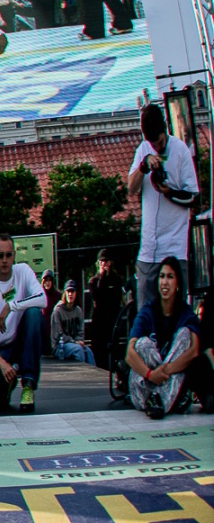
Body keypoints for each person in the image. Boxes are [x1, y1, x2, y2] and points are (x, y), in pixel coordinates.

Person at [127, 103, 198, 308]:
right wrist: (143, 166)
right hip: (149, 249)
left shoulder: (180, 150)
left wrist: (169, 192)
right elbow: (131, 188)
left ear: (165, 129)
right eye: (152, 144)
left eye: (159, 142)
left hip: (175, 248)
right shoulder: (143, 149)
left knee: (175, 311)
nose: (156, 148)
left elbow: (193, 197)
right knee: (145, 311)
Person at [0, 235, 47, 414]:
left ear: (14, 255)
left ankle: (28, 385)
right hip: (2, 348)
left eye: (8, 255)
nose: (4, 260)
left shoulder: (23, 271)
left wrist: (11, 306)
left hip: (23, 341)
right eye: (0, 256)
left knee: (34, 313)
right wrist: (2, 364)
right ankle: (3, 390)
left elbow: (42, 299)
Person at [126, 257, 200, 418]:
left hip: (171, 377)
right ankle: (169, 399)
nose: (164, 282)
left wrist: (167, 370)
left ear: (178, 283)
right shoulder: (148, 310)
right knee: (142, 343)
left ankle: (159, 401)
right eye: (162, 276)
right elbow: (129, 354)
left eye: (170, 277)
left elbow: (194, 350)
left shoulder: (186, 313)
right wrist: (151, 375)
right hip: (145, 386)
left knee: (185, 334)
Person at [88, 252, 125, 369]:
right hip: (99, 320)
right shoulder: (94, 281)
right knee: (99, 349)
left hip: (112, 319)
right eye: (101, 262)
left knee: (113, 348)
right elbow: (96, 296)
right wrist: (102, 277)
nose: (103, 265)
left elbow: (117, 298)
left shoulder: (116, 280)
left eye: (105, 262)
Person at [51, 278, 94, 363]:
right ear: (65, 293)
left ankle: (93, 371)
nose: (70, 294)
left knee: (88, 351)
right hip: (60, 346)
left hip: (74, 343)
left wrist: (79, 340)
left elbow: (81, 331)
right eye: (68, 292)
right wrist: (74, 342)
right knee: (78, 350)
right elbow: (58, 335)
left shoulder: (78, 311)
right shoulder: (58, 311)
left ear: (76, 293)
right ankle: (80, 370)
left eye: (72, 292)